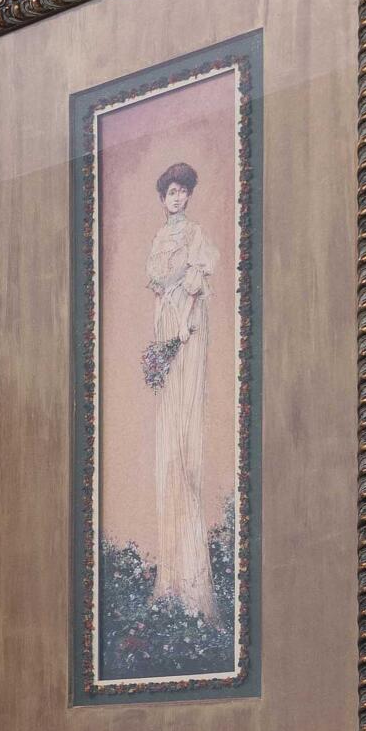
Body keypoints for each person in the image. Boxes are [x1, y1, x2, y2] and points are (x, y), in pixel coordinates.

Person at [136, 159, 221, 623]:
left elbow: (199, 278)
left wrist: (186, 285)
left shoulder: (196, 235)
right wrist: (171, 286)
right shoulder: (159, 239)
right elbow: (155, 278)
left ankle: (192, 584)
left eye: (183, 191)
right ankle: (169, 579)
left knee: (186, 448)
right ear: (162, 197)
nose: (178, 197)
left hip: (188, 337)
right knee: (168, 447)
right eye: (171, 191)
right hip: (166, 336)